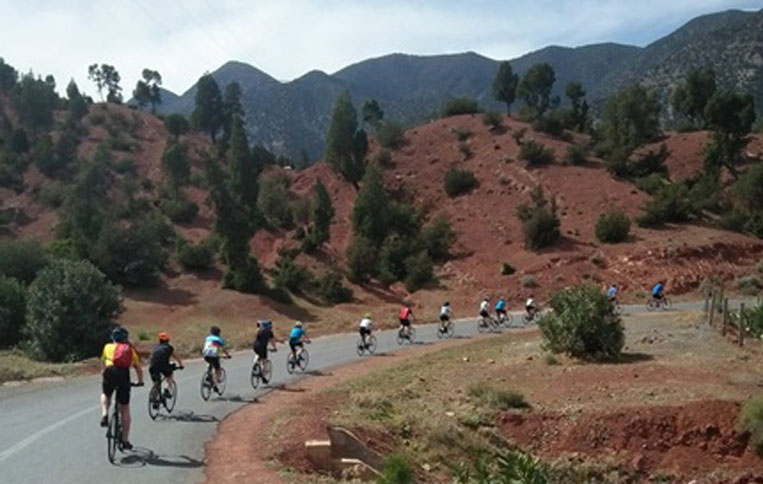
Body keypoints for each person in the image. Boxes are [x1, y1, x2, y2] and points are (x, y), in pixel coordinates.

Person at [100, 326, 143, 451]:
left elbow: (103, 363)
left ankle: (105, 414)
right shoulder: (129, 349)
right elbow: (138, 368)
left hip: (109, 372)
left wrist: (104, 374)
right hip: (123, 374)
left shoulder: (107, 347)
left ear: (113, 338)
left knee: (106, 393)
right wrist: (140, 381)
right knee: (124, 409)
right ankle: (125, 440)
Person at [149, 332, 183, 405]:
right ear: (168, 340)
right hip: (163, 366)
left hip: (152, 366)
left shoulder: (155, 347)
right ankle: (167, 389)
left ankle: (154, 397)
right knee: (170, 375)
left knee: (156, 382)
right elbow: (176, 356)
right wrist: (181, 365)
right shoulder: (169, 347)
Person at [202, 326, 230, 392]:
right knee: (217, 369)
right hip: (213, 355)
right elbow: (223, 349)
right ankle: (215, 384)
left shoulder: (207, 338)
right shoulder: (219, 339)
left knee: (209, 362)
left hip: (205, 355)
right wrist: (228, 355)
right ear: (218, 333)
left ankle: (208, 374)